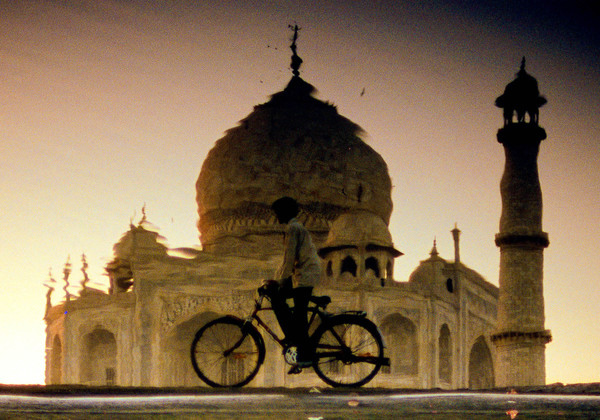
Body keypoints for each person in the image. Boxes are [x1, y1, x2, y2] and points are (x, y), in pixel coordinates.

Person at [261, 196, 321, 373]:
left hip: (305, 275)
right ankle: (295, 344)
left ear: (285, 211)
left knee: (300, 317)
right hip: (302, 275)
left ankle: (304, 357)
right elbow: (286, 261)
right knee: (281, 302)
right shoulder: (294, 228)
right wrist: (276, 280)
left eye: (278, 212)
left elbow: (289, 259)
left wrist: (279, 281)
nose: (276, 216)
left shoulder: (293, 228)